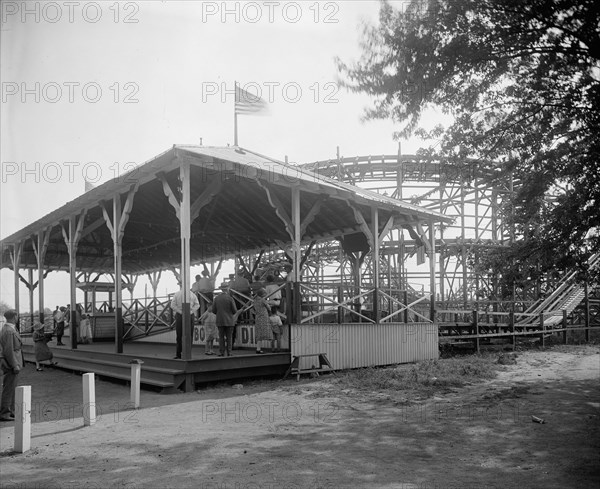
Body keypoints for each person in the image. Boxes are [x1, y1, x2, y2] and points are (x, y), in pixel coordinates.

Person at [0, 310, 23, 421]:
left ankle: (11, 411)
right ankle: (5, 413)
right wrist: (14, 365)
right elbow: (8, 350)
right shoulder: (9, 330)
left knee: (12, 387)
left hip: (13, 361)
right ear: (14, 317)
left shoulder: (9, 328)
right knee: (9, 388)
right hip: (12, 363)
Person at [171, 288, 200, 359]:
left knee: (179, 335)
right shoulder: (192, 294)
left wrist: (180, 312)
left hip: (180, 315)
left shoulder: (177, 294)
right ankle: (188, 353)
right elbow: (197, 305)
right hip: (190, 315)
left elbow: (172, 305)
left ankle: (178, 354)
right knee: (190, 334)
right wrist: (191, 312)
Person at [212, 289, 238, 357]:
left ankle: (221, 352)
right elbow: (235, 310)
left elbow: (213, 310)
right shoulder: (230, 298)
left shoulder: (216, 298)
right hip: (229, 320)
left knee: (221, 337)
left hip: (220, 319)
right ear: (227, 289)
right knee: (229, 337)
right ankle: (229, 352)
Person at [253, 288, 275, 354]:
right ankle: (273, 348)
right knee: (268, 332)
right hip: (264, 317)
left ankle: (258, 349)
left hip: (258, 317)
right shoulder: (262, 300)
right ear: (262, 294)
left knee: (259, 334)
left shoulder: (255, 300)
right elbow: (269, 308)